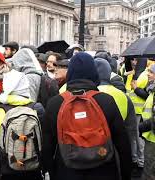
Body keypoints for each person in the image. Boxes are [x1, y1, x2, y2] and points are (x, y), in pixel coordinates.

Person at [42, 52, 132, 180]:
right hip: (103, 169)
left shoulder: (55, 103)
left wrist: (52, 172)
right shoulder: (106, 101)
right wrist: (125, 174)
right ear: (94, 73)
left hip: (67, 170)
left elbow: (47, 146)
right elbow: (123, 143)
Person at [95, 58, 138, 164]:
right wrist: (131, 157)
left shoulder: (87, 95)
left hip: (92, 150)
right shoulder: (123, 96)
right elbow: (131, 131)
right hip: (116, 149)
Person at [124, 57, 148, 177]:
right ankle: (134, 161)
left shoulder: (146, 75)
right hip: (130, 112)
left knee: (139, 140)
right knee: (132, 138)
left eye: (136, 60)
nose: (134, 62)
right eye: (132, 60)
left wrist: (136, 89)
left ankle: (141, 163)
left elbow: (148, 95)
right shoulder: (130, 75)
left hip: (140, 112)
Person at [139, 64, 155, 180]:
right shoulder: (152, 90)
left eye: (151, 72)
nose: (148, 74)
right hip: (150, 136)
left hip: (153, 138)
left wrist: (142, 126)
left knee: (149, 172)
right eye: (148, 71)